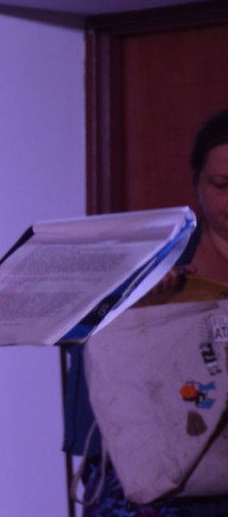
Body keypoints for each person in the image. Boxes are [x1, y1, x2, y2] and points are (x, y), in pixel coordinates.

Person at [67, 108, 228, 516]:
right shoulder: (151, 263)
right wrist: (134, 301)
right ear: (197, 185)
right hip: (159, 483)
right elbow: (86, 349)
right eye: (222, 185)